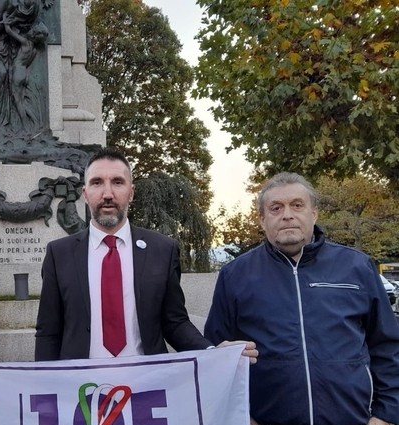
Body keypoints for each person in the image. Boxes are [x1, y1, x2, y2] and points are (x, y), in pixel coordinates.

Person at [204, 172, 399, 425]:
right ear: (263, 219)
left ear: (314, 213)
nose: (287, 215)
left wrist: (385, 415)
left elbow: (386, 346)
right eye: (275, 208)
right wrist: (240, 417)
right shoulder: (236, 276)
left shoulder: (356, 267)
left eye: (297, 205)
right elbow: (217, 353)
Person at [35, 148, 257, 361]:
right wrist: (44, 394)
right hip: (80, 389)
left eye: (118, 182)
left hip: (146, 388)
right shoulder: (59, 254)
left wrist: (212, 352)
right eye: (97, 183)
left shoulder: (162, 250)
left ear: (131, 192)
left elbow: (175, 323)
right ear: (85, 194)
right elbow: (48, 332)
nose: (108, 194)